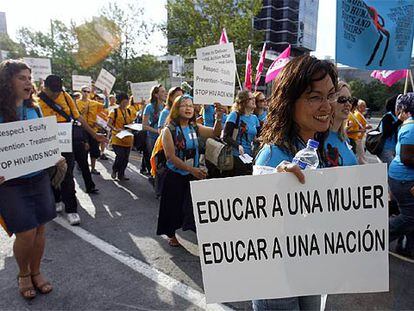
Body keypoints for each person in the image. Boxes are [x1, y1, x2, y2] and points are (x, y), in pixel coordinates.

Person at [254, 55, 339, 310]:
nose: (327, 106)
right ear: (289, 102)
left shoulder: (315, 146)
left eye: (331, 95)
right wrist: (273, 188)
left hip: (311, 266)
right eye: (314, 97)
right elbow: (256, 230)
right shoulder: (272, 155)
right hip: (277, 277)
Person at [0, 60, 65, 299]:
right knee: (25, 232)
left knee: (40, 229)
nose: (28, 82)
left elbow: (42, 142)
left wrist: (54, 156)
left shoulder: (34, 109)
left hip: (38, 179)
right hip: (11, 184)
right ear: (7, 82)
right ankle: (23, 274)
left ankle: (37, 271)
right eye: (22, 78)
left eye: (29, 78)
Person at [38, 75, 106, 225]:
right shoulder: (36, 100)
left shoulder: (66, 97)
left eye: (58, 91)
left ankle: (71, 210)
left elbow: (79, 117)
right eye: (53, 92)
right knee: (53, 173)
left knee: (67, 174)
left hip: (66, 141)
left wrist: (94, 135)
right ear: (45, 88)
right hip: (47, 144)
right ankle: (56, 199)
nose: (56, 94)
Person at [156, 95, 222, 246]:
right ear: (176, 109)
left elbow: (215, 133)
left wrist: (219, 117)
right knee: (173, 207)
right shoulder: (169, 130)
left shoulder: (195, 127)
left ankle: (199, 232)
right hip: (174, 175)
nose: (188, 108)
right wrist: (191, 169)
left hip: (192, 174)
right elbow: (171, 157)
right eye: (184, 105)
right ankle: (171, 234)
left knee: (193, 207)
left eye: (190, 106)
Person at [388, 93, 414, 258]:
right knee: (410, 217)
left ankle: (406, 247)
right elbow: (407, 158)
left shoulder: (409, 125)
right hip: (405, 180)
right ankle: (379, 236)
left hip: (403, 178)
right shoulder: (411, 127)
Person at [223, 90, 260, 176]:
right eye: (251, 98)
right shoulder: (234, 115)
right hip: (236, 156)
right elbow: (225, 136)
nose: (254, 100)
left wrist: (259, 140)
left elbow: (258, 136)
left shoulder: (255, 118)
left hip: (250, 157)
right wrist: (237, 145)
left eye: (254, 98)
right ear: (243, 102)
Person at [325, 81, 357, 167]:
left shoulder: (344, 138)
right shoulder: (317, 138)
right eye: (342, 99)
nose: (348, 104)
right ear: (330, 102)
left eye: (350, 100)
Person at [76, 85, 105, 175]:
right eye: (84, 91)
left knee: (94, 150)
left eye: (88, 92)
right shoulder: (76, 103)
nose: (86, 93)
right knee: (83, 149)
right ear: (81, 92)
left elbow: (105, 106)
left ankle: (93, 168)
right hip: (81, 129)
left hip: (92, 130)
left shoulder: (93, 103)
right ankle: (81, 165)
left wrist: (106, 96)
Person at [108, 93, 135, 181]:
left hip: (127, 138)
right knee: (120, 156)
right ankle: (115, 169)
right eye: (124, 102)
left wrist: (133, 127)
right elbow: (109, 123)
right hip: (117, 138)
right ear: (120, 102)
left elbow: (131, 123)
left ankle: (121, 174)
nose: (126, 103)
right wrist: (115, 129)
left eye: (127, 102)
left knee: (126, 159)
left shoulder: (129, 111)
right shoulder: (114, 111)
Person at [142, 85, 167, 175]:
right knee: (154, 160)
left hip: (164, 138)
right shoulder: (149, 107)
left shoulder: (166, 107)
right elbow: (144, 126)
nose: (165, 93)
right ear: (156, 95)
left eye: (165, 91)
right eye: (162, 92)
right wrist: (157, 131)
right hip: (152, 138)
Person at [378, 95, 404, 166]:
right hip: (386, 149)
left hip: (394, 149)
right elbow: (386, 133)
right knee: (392, 170)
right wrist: (399, 122)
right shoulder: (388, 117)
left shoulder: (397, 117)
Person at [346, 99, 371, 164]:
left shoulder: (354, 114)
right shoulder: (354, 115)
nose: (364, 108)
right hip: (355, 139)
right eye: (362, 106)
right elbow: (348, 130)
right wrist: (362, 129)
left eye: (365, 106)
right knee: (360, 157)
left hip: (357, 138)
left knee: (359, 156)